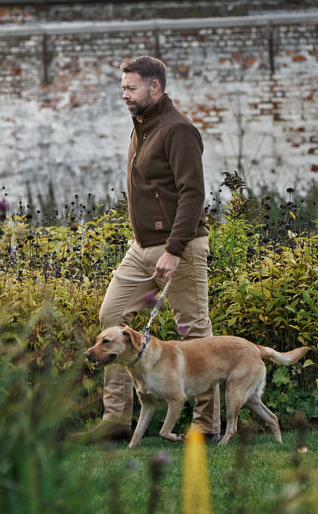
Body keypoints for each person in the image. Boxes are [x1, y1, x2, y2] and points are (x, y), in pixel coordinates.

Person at [75, 55, 220, 443]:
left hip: (180, 247)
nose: (124, 94)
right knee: (113, 314)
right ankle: (117, 418)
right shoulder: (141, 127)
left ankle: (206, 425)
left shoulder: (178, 130)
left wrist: (174, 249)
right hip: (140, 249)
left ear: (155, 87)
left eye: (131, 87)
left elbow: (193, 194)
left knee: (193, 332)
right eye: (123, 87)